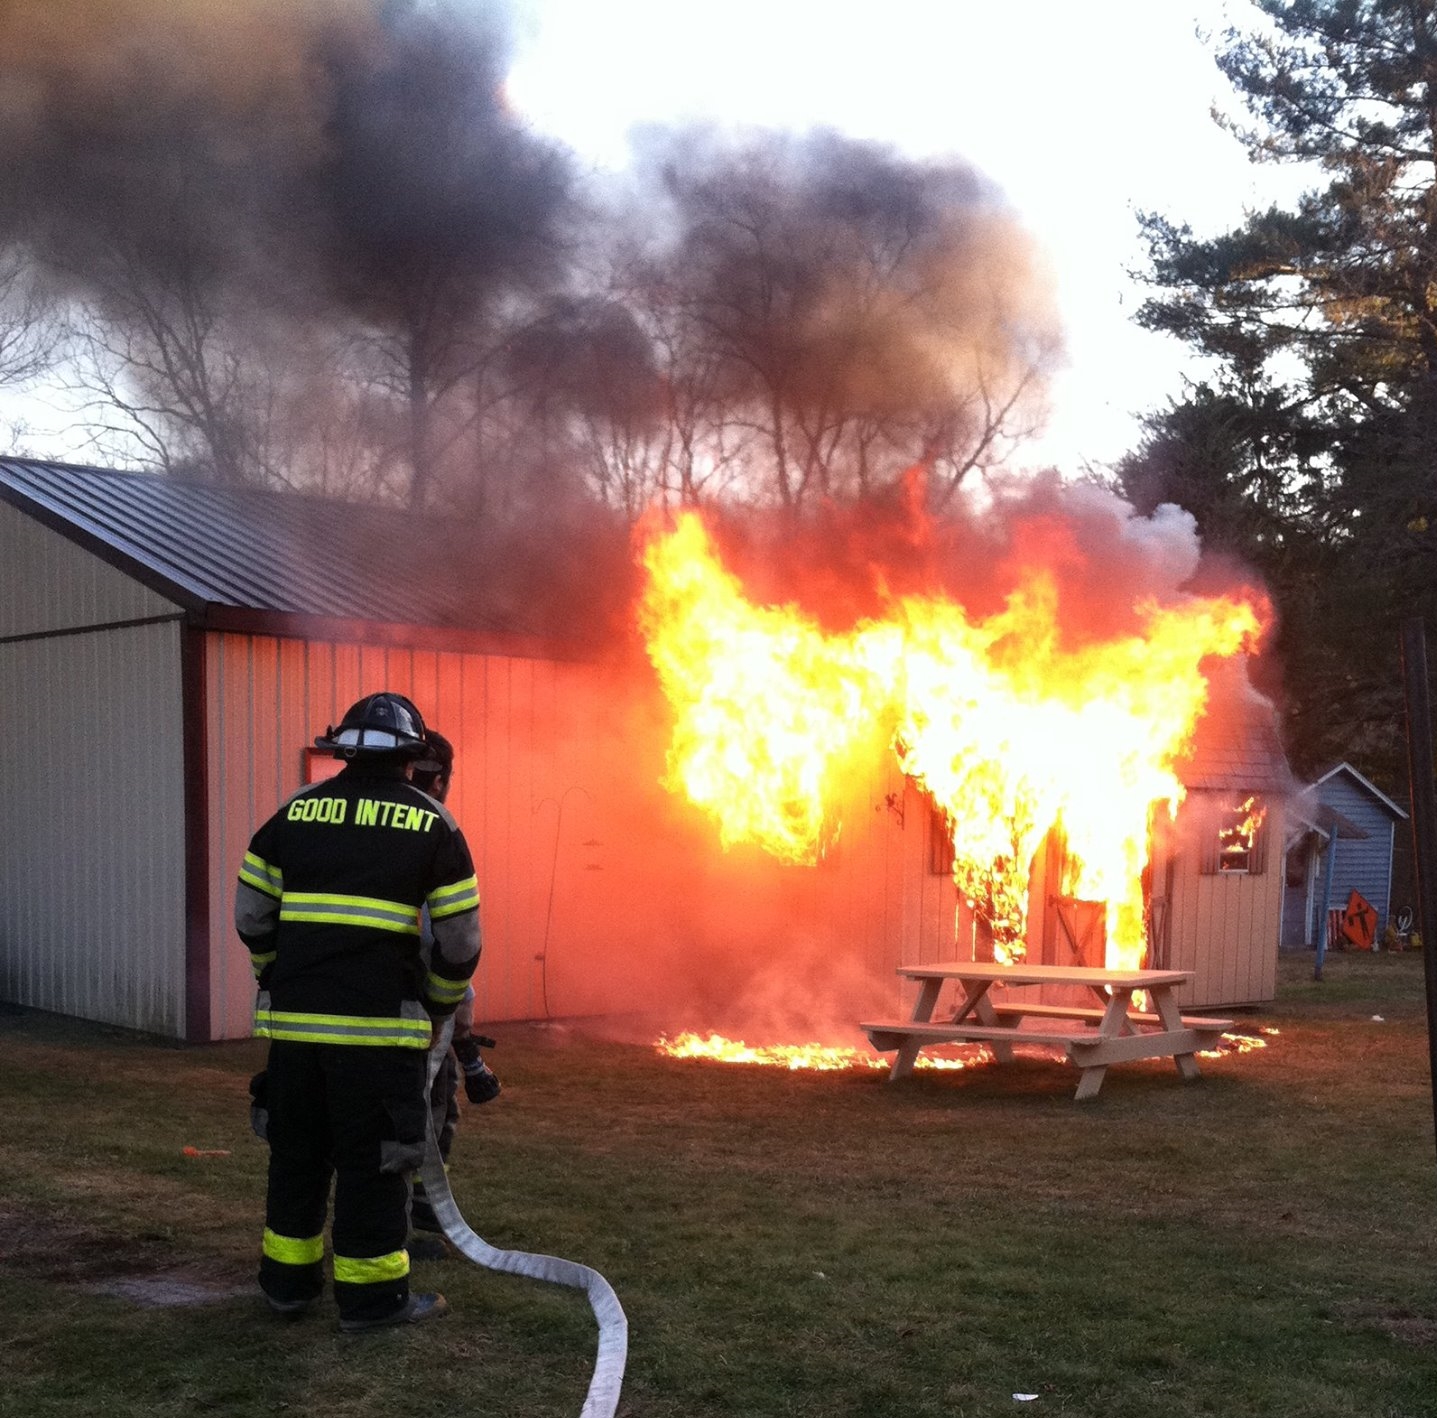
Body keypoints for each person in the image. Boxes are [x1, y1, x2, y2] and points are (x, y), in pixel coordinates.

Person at [234, 692, 482, 1333]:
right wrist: (439, 1007)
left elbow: (251, 913)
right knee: (375, 1161)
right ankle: (373, 1302)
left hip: (295, 1032)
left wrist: (274, 974)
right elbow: (460, 942)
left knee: (297, 1155)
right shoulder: (434, 825)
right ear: (411, 758)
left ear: (343, 750)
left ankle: (286, 1287)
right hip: (379, 1036)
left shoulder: (294, 811)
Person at [406, 729, 501, 1258]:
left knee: (417, 1116)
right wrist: (456, 1019)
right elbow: (451, 944)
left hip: (362, 1008)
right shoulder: (434, 834)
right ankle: (408, 1223)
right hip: (419, 1015)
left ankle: (423, 1211)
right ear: (440, 780)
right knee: (423, 1115)